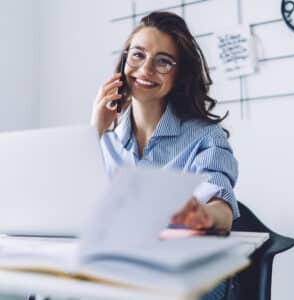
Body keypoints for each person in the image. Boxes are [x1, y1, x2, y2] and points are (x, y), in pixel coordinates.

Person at [90, 11, 239, 300]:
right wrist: (93, 131)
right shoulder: (103, 138)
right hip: (116, 271)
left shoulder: (205, 137)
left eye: (162, 61)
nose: (145, 70)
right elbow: (72, 208)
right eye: (137, 55)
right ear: (123, 62)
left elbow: (222, 208)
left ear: (179, 73)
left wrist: (202, 214)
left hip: (183, 277)